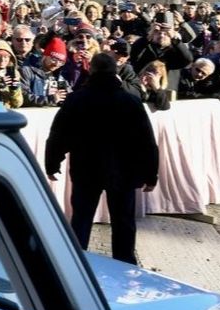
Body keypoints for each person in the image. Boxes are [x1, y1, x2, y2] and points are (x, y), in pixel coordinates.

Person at [45, 52, 158, 265]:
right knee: (123, 222)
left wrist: (52, 163)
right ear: (116, 72)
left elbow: (58, 134)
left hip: (86, 168)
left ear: (92, 70)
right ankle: (124, 265)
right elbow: (146, 141)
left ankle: (76, 264)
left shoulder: (76, 100)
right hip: (124, 171)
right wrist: (151, 173)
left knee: (82, 219)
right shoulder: (130, 101)